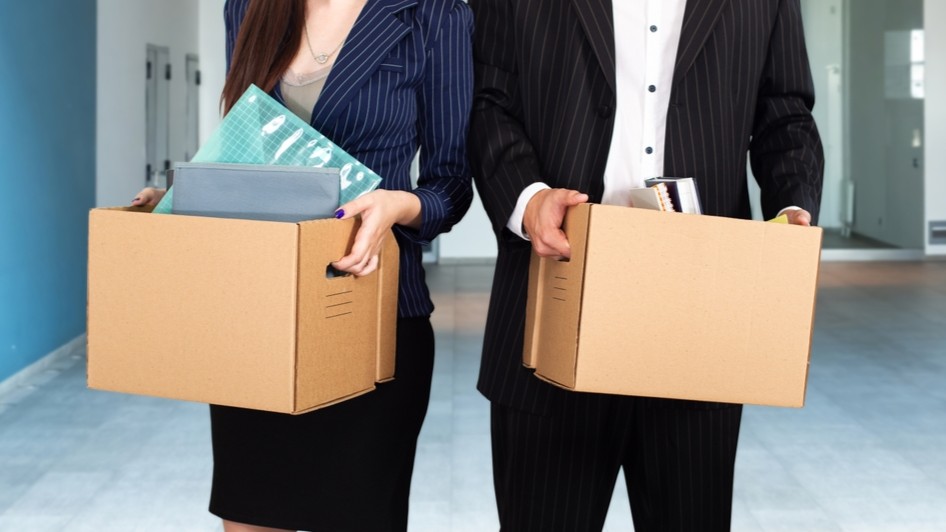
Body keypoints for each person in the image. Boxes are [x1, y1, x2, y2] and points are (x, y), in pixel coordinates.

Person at [467, 1, 824, 531]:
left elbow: (785, 112)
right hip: (557, 286)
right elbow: (487, 97)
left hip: (701, 311)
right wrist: (528, 197)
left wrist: (792, 206)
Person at [134, 0, 472, 530]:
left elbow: (450, 185)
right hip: (259, 318)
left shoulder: (434, 13)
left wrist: (397, 205)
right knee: (250, 514)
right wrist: (187, 198)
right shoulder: (247, 6)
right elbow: (248, 146)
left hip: (368, 314)